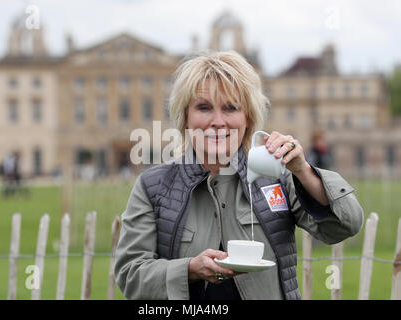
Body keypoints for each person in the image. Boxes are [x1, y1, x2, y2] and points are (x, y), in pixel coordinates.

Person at [114, 51, 364, 300]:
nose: (218, 121)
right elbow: (130, 274)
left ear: (248, 118)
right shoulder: (153, 186)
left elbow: (344, 226)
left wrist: (301, 169)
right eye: (204, 107)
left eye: (230, 108)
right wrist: (189, 269)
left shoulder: (277, 177)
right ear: (185, 118)